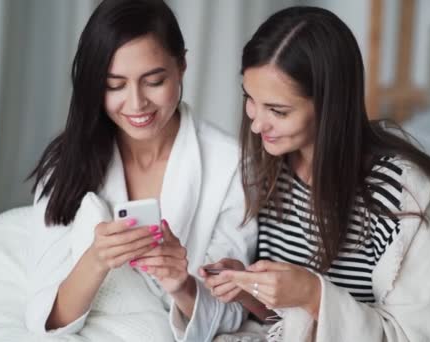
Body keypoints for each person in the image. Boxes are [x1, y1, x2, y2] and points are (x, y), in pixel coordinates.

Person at [201, 6, 430, 342]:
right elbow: (279, 322)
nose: (256, 123)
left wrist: (314, 294)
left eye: (278, 110)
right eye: (250, 99)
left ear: (330, 104)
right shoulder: (266, 170)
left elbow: (408, 335)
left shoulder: (400, 194)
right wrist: (246, 288)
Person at [24, 0, 257, 341]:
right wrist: (96, 260)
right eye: (115, 85)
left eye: (154, 81)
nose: (136, 104)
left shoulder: (233, 166)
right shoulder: (67, 163)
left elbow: (234, 309)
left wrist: (182, 286)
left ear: (182, 66)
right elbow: (46, 317)